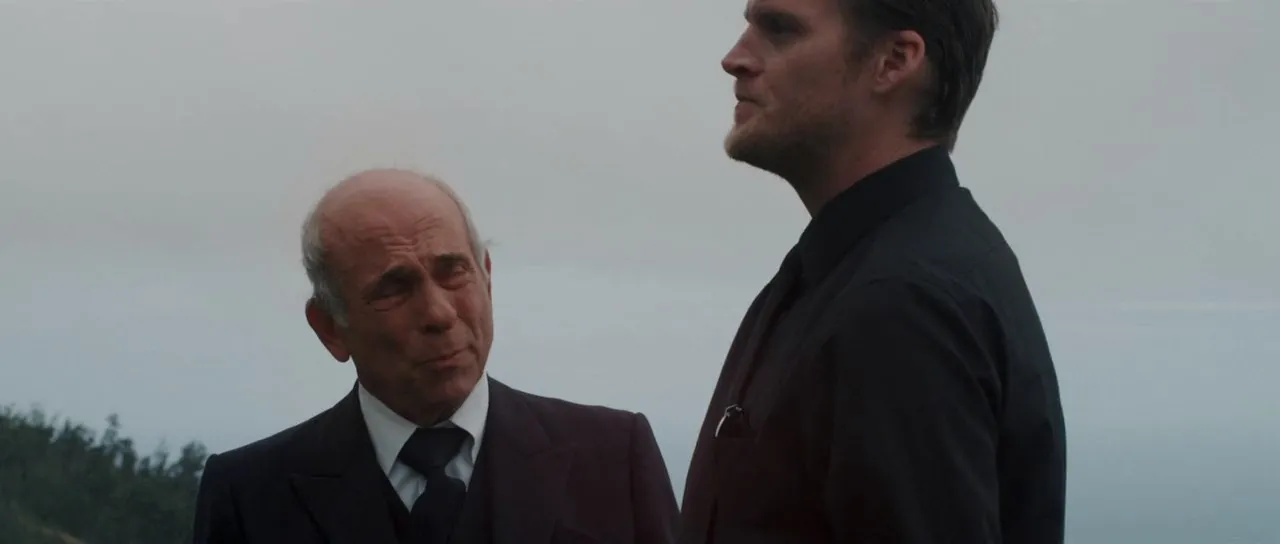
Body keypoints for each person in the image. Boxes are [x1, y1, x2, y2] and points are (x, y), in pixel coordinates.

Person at [678, 0, 1066, 543]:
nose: (735, 58)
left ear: (894, 61)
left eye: (780, 30)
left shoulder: (903, 304)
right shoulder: (862, 272)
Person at [192, 169, 679, 544]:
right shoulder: (250, 497)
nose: (439, 314)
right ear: (330, 329)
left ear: (487, 279)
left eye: (454, 272)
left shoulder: (613, 459)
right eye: (394, 288)